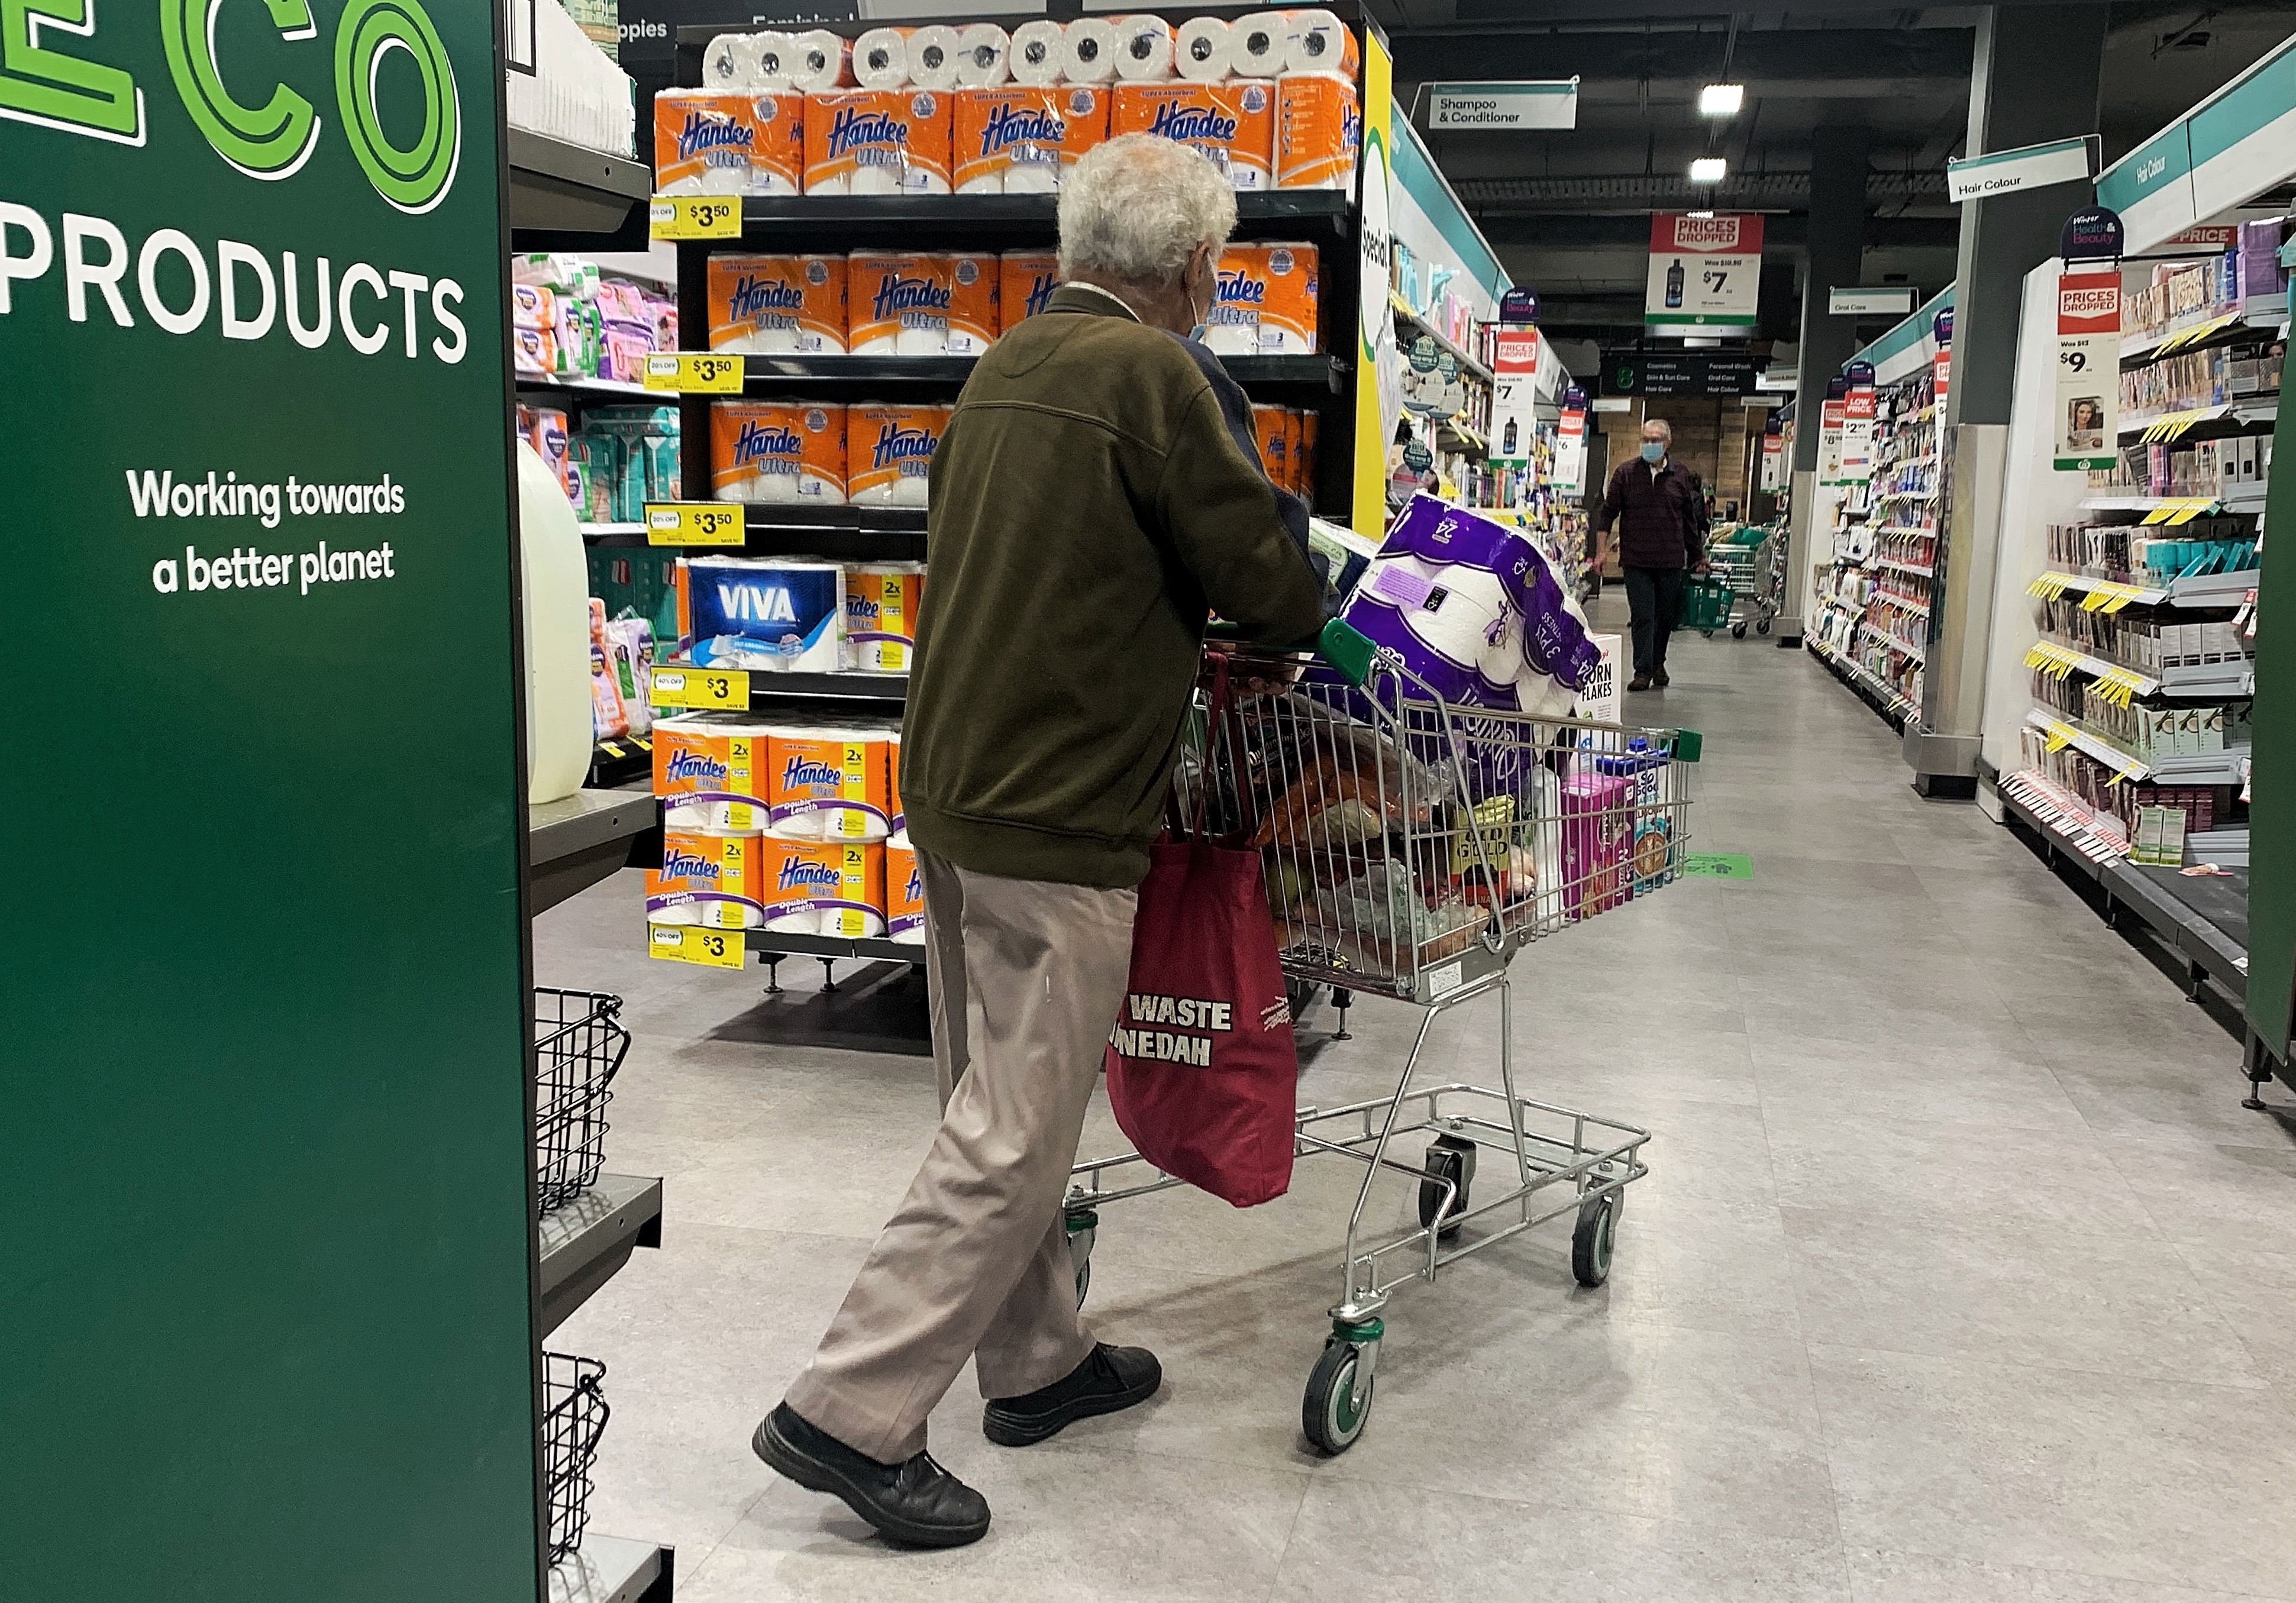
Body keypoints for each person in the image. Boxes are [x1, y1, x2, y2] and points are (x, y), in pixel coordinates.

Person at [750, 134, 1330, 1549]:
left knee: (988, 1102)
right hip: (1058, 807)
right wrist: (1295, 553)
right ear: (1194, 269)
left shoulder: (1002, 367)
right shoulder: (1155, 378)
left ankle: (1037, 1364)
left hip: (951, 787)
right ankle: (847, 1409)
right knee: (1015, 1125)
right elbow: (1265, 584)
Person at [1594, 417, 1710, 690]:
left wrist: (1698, 556)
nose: (1649, 445)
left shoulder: (1680, 475)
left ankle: (1659, 662)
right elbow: (1608, 514)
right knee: (1643, 615)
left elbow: (1689, 523)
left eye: (1655, 440)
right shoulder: (1625, 474)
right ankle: (1642, 670)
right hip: (1637, 560)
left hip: (1671, 560)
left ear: (1667, 442)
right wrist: (1601, 553)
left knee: (1665, 616)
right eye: (1645, 440)